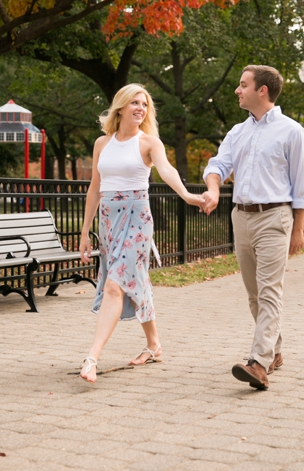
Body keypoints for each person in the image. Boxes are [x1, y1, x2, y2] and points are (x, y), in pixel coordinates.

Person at [77, 84, 205, 383]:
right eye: (134, 103)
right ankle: (154, 344)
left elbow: (167, 170)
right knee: (138, 281)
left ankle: (91, 358)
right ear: (120, 107)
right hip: (109, 221)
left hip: (137, 219)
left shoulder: (149, 143)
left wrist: (187, 195)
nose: (140, 108)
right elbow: (94, 189)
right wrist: (85, 232)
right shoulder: (101, 143)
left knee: (115, 285)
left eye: (144, 104)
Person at [200, 65, 304, 390]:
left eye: (243, 85)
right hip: (241, 217)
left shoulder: (291, 131)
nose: (237, 90)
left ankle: (258, 364)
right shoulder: (238, 132)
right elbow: (218, 165)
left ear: (262, 90)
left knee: (269, 291)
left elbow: (301, 182)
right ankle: (274, 351)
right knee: (253, 295)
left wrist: (299, 227)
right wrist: (215, 188)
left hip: (275, 217)